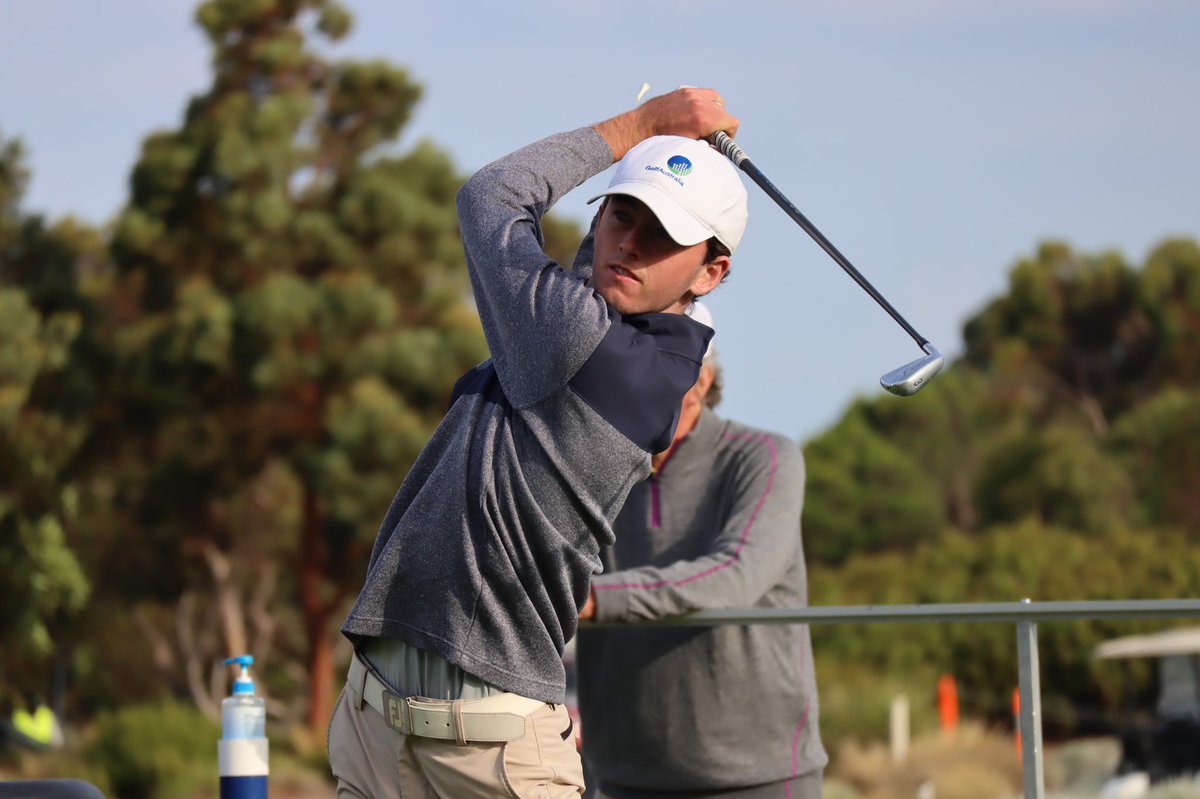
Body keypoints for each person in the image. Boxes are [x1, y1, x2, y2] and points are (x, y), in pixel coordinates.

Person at [327, 87, 750, 799]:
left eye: (665, 235)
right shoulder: (632, 325)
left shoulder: (584, 342)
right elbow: (604, 270)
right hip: (377, 721)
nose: (632, 243)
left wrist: (640, 127)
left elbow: (491, 197)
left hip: (495, 754)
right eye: (624, 214)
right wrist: (666, 155)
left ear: (711, 270)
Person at [576, 304, 828, 799]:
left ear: (702, 380)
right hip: (622, 773)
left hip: (759, 773)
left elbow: (737, 574)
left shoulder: (765, 457)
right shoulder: (590, 468)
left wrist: (596, 598)